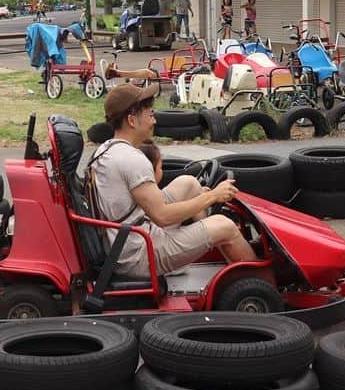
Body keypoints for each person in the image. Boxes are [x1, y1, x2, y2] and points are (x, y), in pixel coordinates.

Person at [86, 84, 257, 279]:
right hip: (138, 256)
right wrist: (212, 196)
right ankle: (263, 287)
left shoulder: (106, 149)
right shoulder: (132, 160)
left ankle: (210, 240)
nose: (154, 120)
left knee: (188, 182)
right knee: (225, 225)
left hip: (128, 237)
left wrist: (203, 198)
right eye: (150, 114)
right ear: (132, 120)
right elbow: (163, 217)